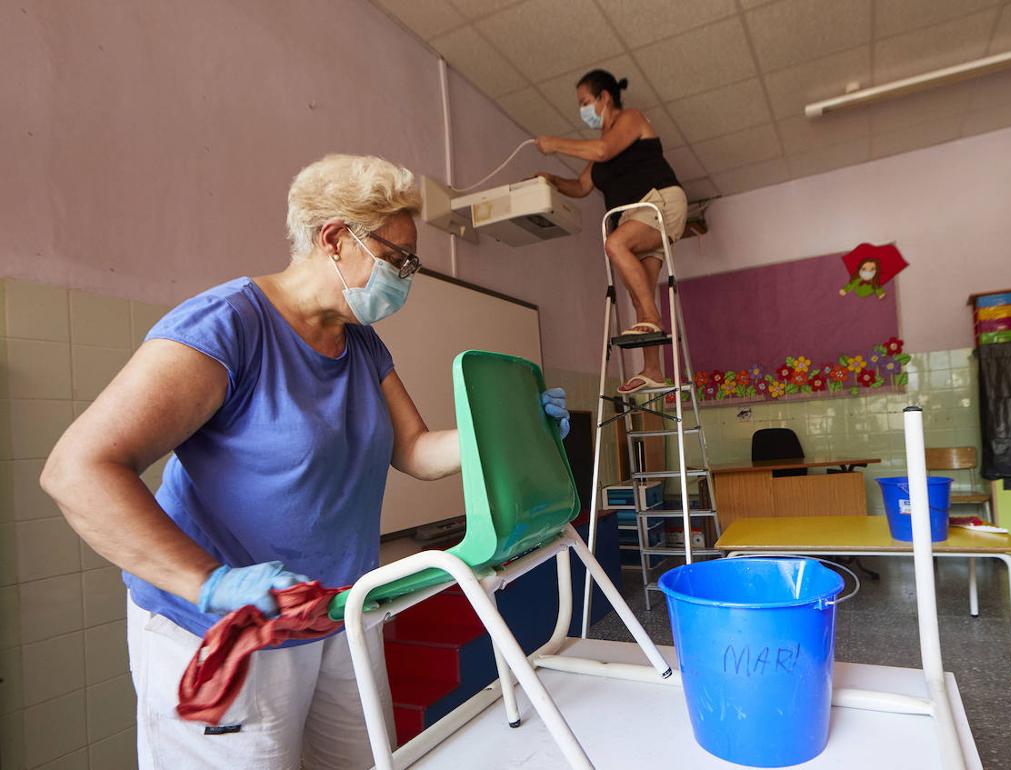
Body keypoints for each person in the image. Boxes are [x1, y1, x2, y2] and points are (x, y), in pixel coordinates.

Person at [39, 154, 569, 769]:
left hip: (336, 616)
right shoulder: (228, 325)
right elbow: (78, 469)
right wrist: (210, 583)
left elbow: (415, 451)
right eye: (398, 258)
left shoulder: (363, 343)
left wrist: (510, 428)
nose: (406, 277)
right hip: (234, 628)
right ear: (336, 239)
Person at [534, 69, 687, 394]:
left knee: (615, 244)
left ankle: (651, 317)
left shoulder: (630, 119)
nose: (583, 111)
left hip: (659, 202)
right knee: (637, 289)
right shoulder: (600, 152)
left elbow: (603, 150)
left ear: (605, 97)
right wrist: (552, 180)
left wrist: (555, 144)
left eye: (585, 102)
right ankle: (653, 370)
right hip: (636, 214)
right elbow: (580, 187)